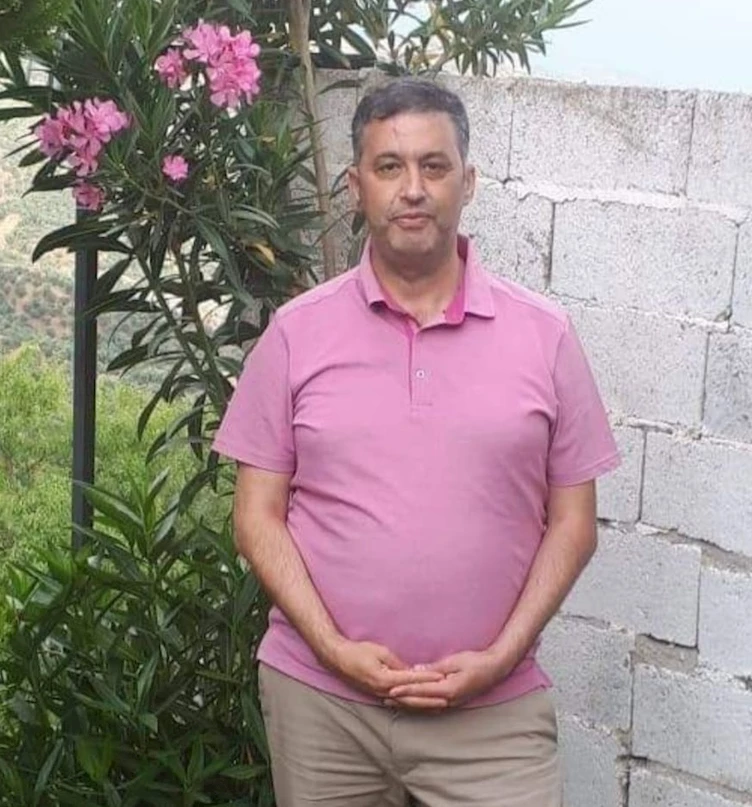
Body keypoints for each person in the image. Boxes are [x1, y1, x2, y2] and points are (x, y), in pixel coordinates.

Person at [211, 77, 620, 807]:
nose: (412, 189)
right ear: (355, 186)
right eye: (389, 166)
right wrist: (334, 649)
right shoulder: (296, 334)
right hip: (322, 707)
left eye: (434, 166)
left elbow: (574, 524)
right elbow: (255, 517)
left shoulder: (545, 336)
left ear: (468, 182)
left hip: (492, 715)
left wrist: (500, 658)